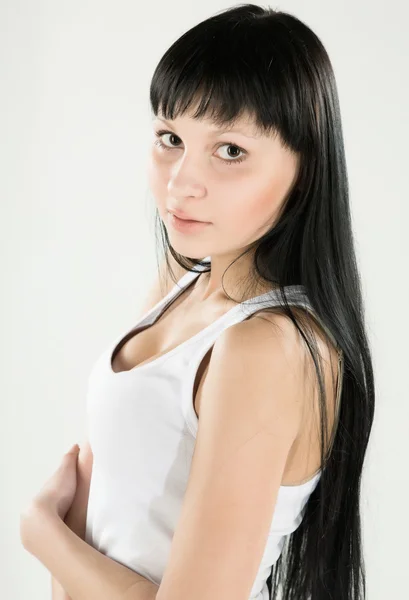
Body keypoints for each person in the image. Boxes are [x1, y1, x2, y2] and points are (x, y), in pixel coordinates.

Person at [49, 4, 375, 599]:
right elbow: (98, 509)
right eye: (170, 138)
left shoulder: (268, 345)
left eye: (229, 151)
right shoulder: (178, 286)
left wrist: (41, 533)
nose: (180, 182)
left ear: (305, 170)